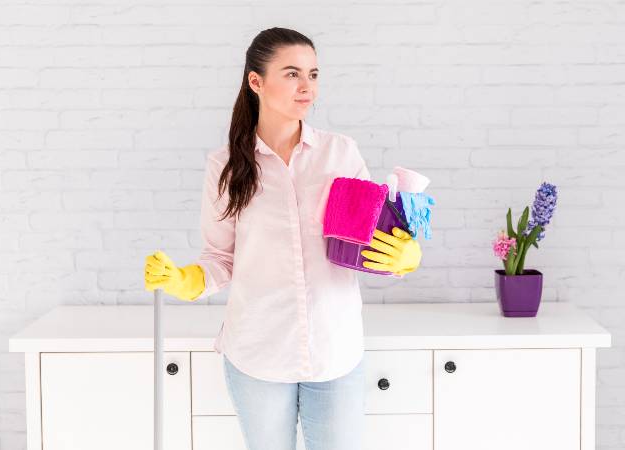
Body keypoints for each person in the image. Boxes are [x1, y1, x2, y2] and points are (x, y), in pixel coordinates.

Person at [143, 27, 422, 450]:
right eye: (292, 73)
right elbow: (219, 258)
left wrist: (404, 256)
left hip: (335, 350)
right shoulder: (227, 167)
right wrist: (182, 279)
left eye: (313, 74)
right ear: (256, 82)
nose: (306, 86)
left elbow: (368, 244)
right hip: (258, 352)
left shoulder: (340, 153)